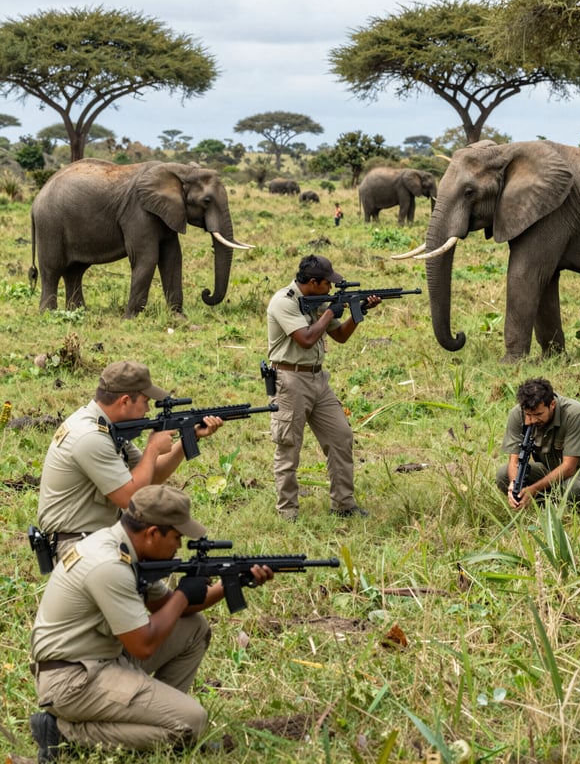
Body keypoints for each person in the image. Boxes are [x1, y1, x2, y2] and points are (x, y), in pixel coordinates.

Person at [29, 484, 274, 761]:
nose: (180, 546)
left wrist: (234, 581)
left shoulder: (123, 548)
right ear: (153, 533)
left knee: (194, 629)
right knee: (192, 723)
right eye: (177, 537)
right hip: (73, 682)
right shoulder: (109, 566)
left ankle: (160, 713)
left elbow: (169, 607)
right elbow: (144, 644)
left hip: (100, 660)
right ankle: (64, 733)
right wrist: (183, 595)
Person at [37, 360, 223, 562]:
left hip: (96, 536)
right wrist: (152, 448)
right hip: (75, 545)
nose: (148, 409)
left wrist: (190, 437)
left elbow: (151, 476)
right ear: (125, 401)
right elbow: (130, 498)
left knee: (160, 559)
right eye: (145, 401)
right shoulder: (90, 437)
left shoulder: (107, 427)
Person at [266, 254, 380, 521]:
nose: (330, 289)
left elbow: (339, 336)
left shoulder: (317, 304)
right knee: (288, 446)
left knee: (341, 436)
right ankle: (288, 512)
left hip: (318, 380)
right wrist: (330, 311)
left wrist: (358, 312)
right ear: (313, 283)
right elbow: (305, 339)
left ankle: (343, 504)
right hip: (290, 380)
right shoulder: (284, 302)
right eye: (327, 284)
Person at [496, 377, 580, 508]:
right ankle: (547, 507)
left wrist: (534, 489)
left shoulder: (574, 413)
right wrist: (515, 485)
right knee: (504, 475)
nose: (531, 420)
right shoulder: (517, 413)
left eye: (538, 414)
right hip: (550, 469)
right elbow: (514, 461)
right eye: (528, 415)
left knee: (572, 487)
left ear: (552, 405)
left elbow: (569, 467)